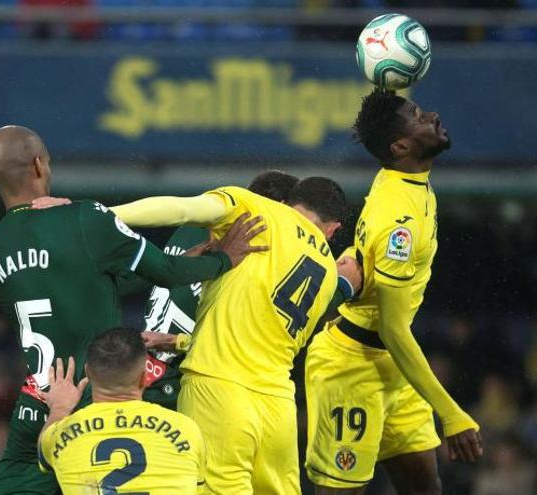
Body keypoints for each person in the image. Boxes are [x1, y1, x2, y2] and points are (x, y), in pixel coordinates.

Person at [0, 124, 263, 494]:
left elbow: (80, 290)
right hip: (92, 398)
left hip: (39, 402)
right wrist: (222, 260)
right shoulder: (85, 219)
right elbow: (167, 271)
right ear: (38, 165)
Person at [109, 176, 361, 493]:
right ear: (335, 228)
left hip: (213, 387)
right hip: (277, 404)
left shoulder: (255, 217)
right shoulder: (326, 266)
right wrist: (345, 287)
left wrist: (100, 213)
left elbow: (179, 208)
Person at [303, 88, 482, 494]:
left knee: (424, 487)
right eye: (419, 115)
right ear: (400, 145)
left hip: (393, 367)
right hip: (350, 369)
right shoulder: (398, 221)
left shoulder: (401, 180)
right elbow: (394, 330)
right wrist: (451, 413)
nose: (433, 115)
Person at [142, 169, 300, 410]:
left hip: (142, 371)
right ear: (279, 208)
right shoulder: (253, 258)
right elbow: (241, 345)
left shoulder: (192, 229)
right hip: (184, 385)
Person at [38, 328, 205, 494]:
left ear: (88, 372)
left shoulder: (58, 436)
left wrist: (60, 408)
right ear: (145, 377)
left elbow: (43, 453)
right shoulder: (187, 430)